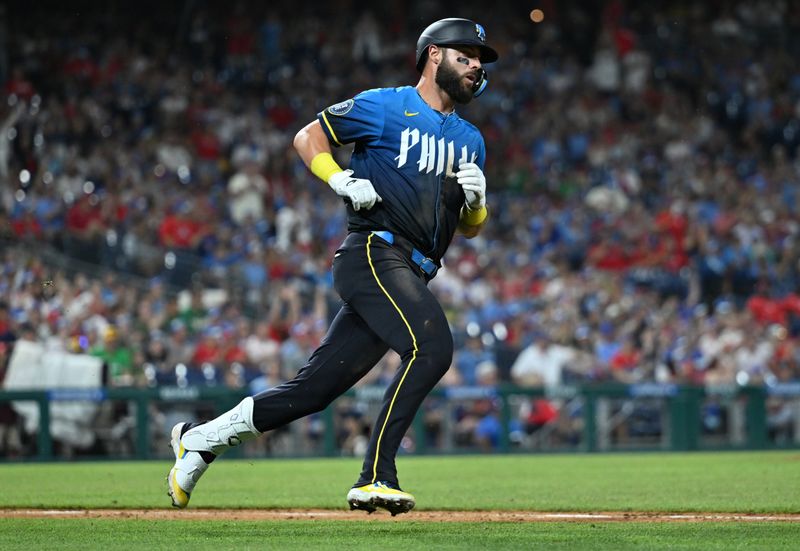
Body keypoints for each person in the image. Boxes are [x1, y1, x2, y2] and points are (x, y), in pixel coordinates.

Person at [166, 17, 498, 516]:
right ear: (434, 55)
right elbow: (308, 138)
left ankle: (200, 440)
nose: (476, 65)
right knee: (432, 346)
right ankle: (376, 477)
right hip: (373, 251)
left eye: (480, 60)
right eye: (466, 54)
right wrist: (341, 179)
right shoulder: (386, 105)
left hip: (413, 268)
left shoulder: (471, 139)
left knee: (313, 391)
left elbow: (469, 228)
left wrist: (476, 204)